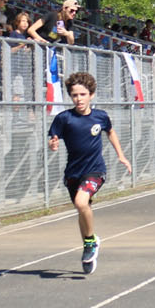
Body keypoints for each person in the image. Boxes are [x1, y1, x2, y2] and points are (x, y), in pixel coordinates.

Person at [47, 71, 130, 275]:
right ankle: (88, 243)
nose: (79, 99)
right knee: (83, 210)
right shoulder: (64, 118)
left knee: (81, 203)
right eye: (75, 95)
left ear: (91, 95)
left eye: (82, 94)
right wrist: (53, 144)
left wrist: (121, 155)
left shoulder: (100, 116)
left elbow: (110, 131)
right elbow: (53, 138)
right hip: (73, 173)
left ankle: (91, 241)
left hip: (95, 171)